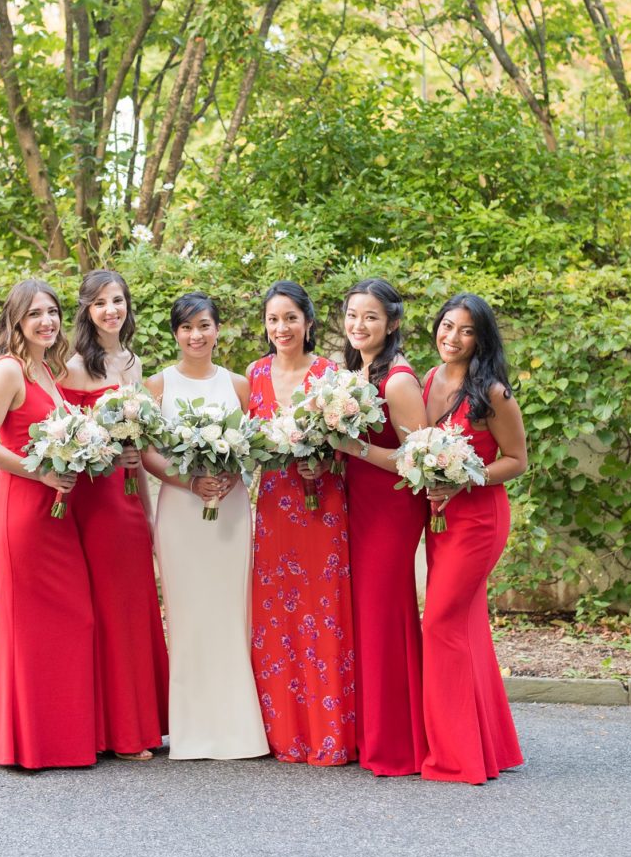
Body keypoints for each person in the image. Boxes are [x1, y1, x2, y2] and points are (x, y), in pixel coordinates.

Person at [0, 279, 96, 769]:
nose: (47, 321)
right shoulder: (8, 369)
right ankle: (24, 745)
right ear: (15, 320)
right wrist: (39, 471)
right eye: (35, 313)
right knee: (27, 627)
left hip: (54, 513)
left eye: (53, 312)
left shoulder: (47, 370)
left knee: (72, 620)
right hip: (20, 509)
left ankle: (58, 739)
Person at [143, 292, 268, 761]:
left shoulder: (239, 385)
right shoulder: (157, 386)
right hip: (180, 509)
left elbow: (255, 442)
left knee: (232, 610)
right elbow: (148, 453)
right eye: (186, 327)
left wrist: (233, 474)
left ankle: (240, 729)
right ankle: (192, 729)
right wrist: (190, 482)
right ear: (175, 333)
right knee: (188, 613)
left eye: (204, 326)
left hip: (230, 510)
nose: (196, 335)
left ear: (219, 330)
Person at [61, 270, 168, 761]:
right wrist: (107, 448)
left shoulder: (133, 361)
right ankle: (119, 735)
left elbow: (138, 446)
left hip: (127, 496)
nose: (111, 310)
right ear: (86, 309)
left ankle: (138, 725)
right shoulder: (75, 366)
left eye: (118, 300)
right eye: (101, 302)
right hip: (94, 496)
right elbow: (66, 437)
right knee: (110, 607)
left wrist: (147, 514)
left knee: (134, 605)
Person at [247, 280, 356, 765]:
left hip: (323, 509)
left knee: (325, 612)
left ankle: (329, 733)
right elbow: (248, 445)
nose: (281, 327)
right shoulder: (253, 374)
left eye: (290, 317)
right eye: (273, 319)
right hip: (274, 509)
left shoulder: (333, 376)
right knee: (278, 616)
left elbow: (354, 450)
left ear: (308, 322)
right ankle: (283, 734)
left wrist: (327, 462)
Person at [421, 293, 527, 784]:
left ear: (480, 338)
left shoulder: (495, 393)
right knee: (466, 628)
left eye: (465, 330)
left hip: (479, 519)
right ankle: (488, 747)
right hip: (440, 521)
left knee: (440, 623)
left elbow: (516, 460)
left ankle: (456, 756)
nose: (452, 337)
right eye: (447, 326)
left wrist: (467, 477)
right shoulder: (428, 381)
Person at [335, 279, 428, 776]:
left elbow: (419, 461)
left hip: (391, 510)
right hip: (358, 506)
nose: (358, 325)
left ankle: (397, 745)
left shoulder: (397, 381)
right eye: (352, 315)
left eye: (370, 316)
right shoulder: (357, 371)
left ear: (391, 322)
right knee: (366, 621)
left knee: (383, 619)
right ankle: (372, 733)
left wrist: (356, 450)